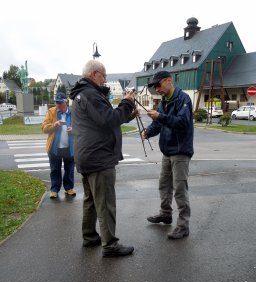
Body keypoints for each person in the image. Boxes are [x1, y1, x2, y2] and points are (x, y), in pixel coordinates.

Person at [70, 60, 136, 257]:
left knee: (90, 200)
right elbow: (108, 120)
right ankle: (110, 245)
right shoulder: (91, 94)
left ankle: (90, 237)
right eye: (103, 75)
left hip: (87, 155)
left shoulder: (81, 95)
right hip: (98, 157)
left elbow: (102, 121)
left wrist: (128, 114)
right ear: (93, 74)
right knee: (105, 202)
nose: (105, 79)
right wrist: (127, 102)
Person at [142, 71, 194, 239]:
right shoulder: (164, 101)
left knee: (179, 189)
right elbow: (159, 124)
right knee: (164, 185)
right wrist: (148, 132)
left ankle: (183, 225)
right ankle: (165, 214)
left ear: (168, 81)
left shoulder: (183, 99)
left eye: (158, 85)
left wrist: (160, 116)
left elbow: (182, 122)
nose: (157, 90)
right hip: (167, 151)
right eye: (155, 87)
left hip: (180, 152)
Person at [42, 92, 76, 199]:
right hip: (54, 148)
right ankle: (54, 189)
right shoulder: (51, 112)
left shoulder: (74, 112)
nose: (58, 105)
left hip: (70, 147)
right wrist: (54, 125)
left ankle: (68, 188)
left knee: (69, 169)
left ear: (66, 102)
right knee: (55, 169)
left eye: (60, 103)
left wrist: (75, 130)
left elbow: (82, 127)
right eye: (56, 102)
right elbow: (44, 128)